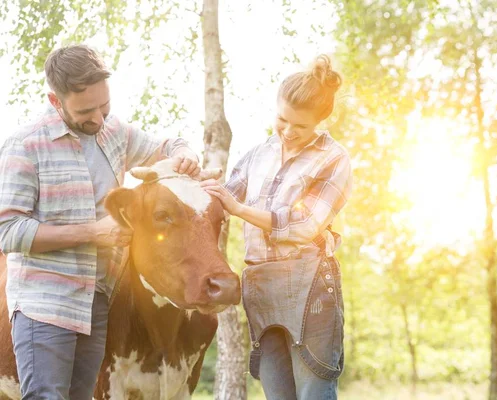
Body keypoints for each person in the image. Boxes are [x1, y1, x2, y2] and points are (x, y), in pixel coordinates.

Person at [0, 44, 201, 399]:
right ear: (54, 100)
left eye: (103, 106)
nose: (97, 119)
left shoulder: (113, 132)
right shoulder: (23, 147)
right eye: (85, 111)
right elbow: (8, 231)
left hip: (97, 300)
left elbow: (169, 145)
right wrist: (94, 233)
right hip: (44, 303)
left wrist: (184, 154)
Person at [201, 54, 352, 399]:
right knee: (277, 393)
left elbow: (306, 224)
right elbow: (220, 198)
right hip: (262, 286)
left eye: (300, 126)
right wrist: (193, 181)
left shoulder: (334, 158)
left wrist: (240, 209)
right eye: (281, 119)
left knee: (314, 389)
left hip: (309, 283)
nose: (287, 132)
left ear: (320, 121)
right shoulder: (258, 154)